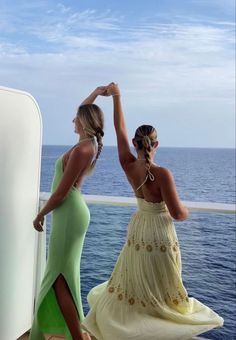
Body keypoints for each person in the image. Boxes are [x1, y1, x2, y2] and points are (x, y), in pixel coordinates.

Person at [82, 83, 224, 340]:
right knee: (162, 288)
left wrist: (117, 98)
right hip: (159, 233)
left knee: (138, 285)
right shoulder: (162, 174)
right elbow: (179, 214)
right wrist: (188, 212)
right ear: (156, 143)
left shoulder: (128, 165)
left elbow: (119, 129)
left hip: (139, 229)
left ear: (135, 143)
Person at [30, 86, 109, 340]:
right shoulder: (87, 143)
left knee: (59, 277)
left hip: (68, 213)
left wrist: (40, 214)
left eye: (77, 118)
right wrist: (96, 92)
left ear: (85, 123)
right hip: (68, 214)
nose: (73, 120)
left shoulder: (83, 149)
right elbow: (83, 109)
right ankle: (76, 333)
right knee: (61, 275)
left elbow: (61, 193)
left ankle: (77, 336)